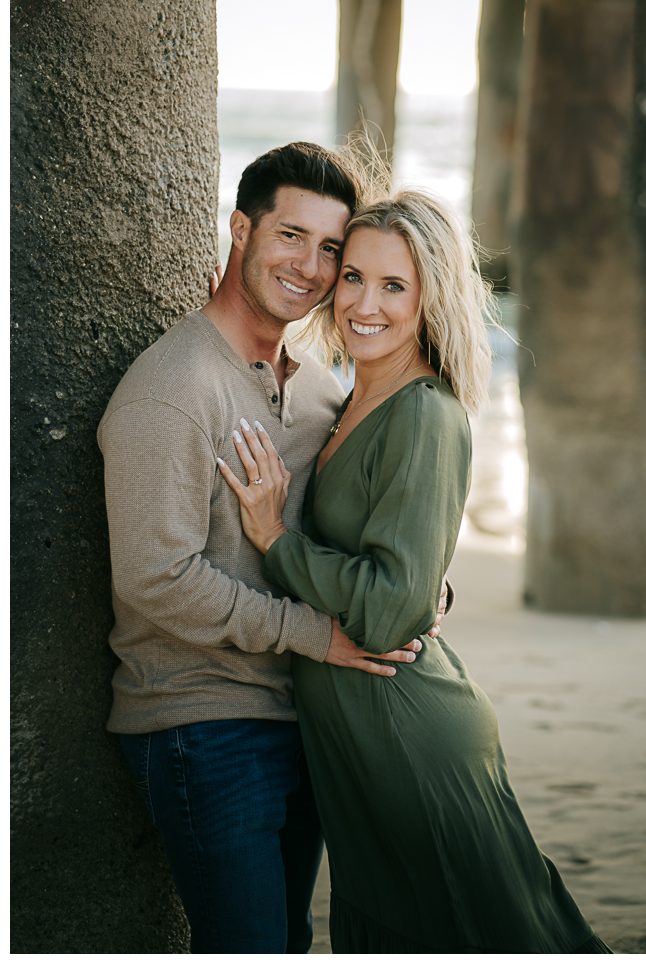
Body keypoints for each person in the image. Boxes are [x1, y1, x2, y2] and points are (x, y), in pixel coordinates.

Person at [217, 187, 613, 954]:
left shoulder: (425, 414)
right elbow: (402, 566)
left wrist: (277, 543)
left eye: (394, 285)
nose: (365, 303)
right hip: (358, 747)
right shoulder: (351, 399)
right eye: (354, 276)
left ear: (431, 296)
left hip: (410, 740)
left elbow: (393, 612)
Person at [97, 142, 450, 954]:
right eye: (291, 236)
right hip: (203, 724)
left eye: (332, 249)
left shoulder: (322, 385)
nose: (312, 266)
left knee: (288, 941)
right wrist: (314, 635)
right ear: (239, 229)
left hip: (303, 716)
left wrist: (418, 584)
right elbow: (157, 580)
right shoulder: (171, 390)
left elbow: (360, 525)